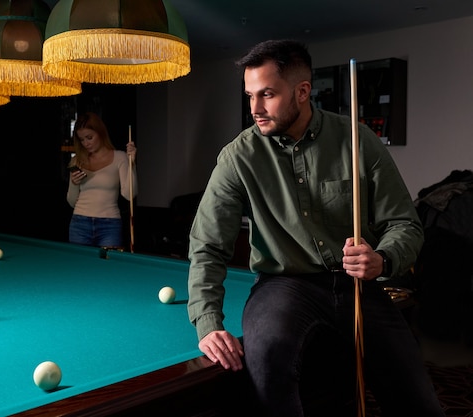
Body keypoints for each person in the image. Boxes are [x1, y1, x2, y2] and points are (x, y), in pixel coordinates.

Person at [187, 39, 445, 416]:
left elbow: (405, 225)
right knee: (268, 362)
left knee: (420, 404)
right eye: (250, 96)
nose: (255, 109)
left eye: (268, 94)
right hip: (283, 284)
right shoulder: (239, 156)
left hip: (359, 283)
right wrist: (208, 321)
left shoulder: (358, 141)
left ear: (303, 91)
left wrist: (382, 259)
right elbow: (207, 244)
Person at [66, 112, 137, 248]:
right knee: (79, 267)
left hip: (109, 225)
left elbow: (130, 195)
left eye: (89, 137)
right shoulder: (77, 160)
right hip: (79, 223)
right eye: (82, 140)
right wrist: (74, 184)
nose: (86, 143)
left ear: (100, 133)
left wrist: (132, 165)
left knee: (109, 267)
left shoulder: (120, 157)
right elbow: (71, 202)